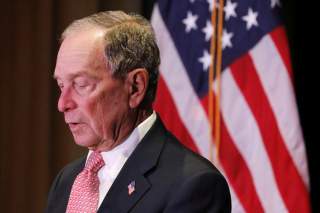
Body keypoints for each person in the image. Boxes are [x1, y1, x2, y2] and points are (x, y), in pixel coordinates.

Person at [46, 10, 231, 213]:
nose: (62, 104)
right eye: (62, 85)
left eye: (81, 84)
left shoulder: (193, 185)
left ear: (135, 87)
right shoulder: (67, 180)